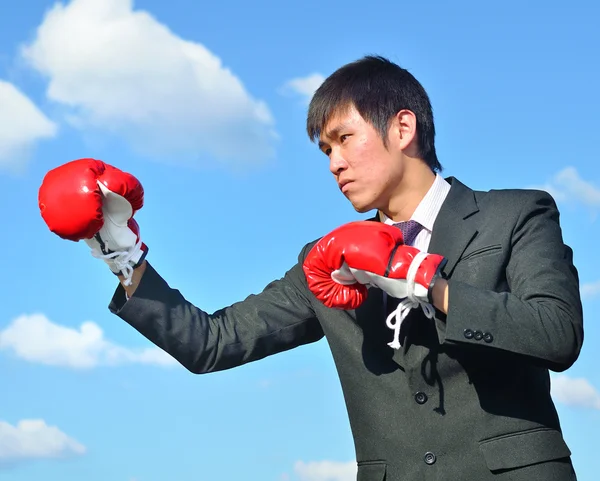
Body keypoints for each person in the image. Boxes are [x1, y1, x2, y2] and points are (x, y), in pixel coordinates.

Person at [38, 55, 583, 480]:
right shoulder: (325, 262)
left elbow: (556, 334)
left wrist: (426, 281)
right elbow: (212, 341)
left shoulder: (516, 213)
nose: (334, 163)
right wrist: (121, 253)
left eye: (344, 138)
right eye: (324, 150)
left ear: (402, 127)